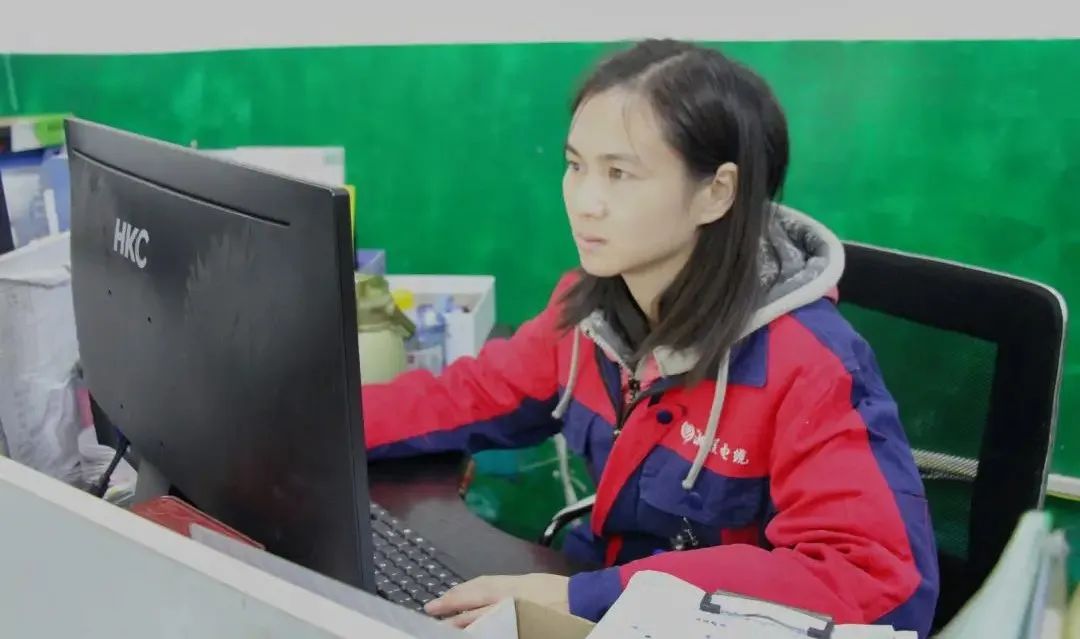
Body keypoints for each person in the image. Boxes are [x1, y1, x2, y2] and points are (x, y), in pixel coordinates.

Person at [362, 39, 939, 637]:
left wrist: (590, 596)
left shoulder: (810, 364)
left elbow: (871, 581)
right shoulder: (588, 310)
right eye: (576, 165)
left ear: (716, 192)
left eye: (619, 174)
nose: (585, 202)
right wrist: (314, 419)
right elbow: (465, 397)